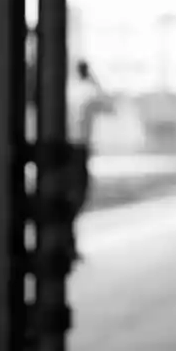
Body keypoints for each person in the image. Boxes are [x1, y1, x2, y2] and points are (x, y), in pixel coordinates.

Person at [67, 59, 113, 261]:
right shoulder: (88, 92)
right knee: (78, 195)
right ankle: (67, 243)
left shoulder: (70, 90)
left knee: (69, 195)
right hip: (79, 149)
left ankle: (68, 242)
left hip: (65, 147)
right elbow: (109, 106)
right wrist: (96, 81)